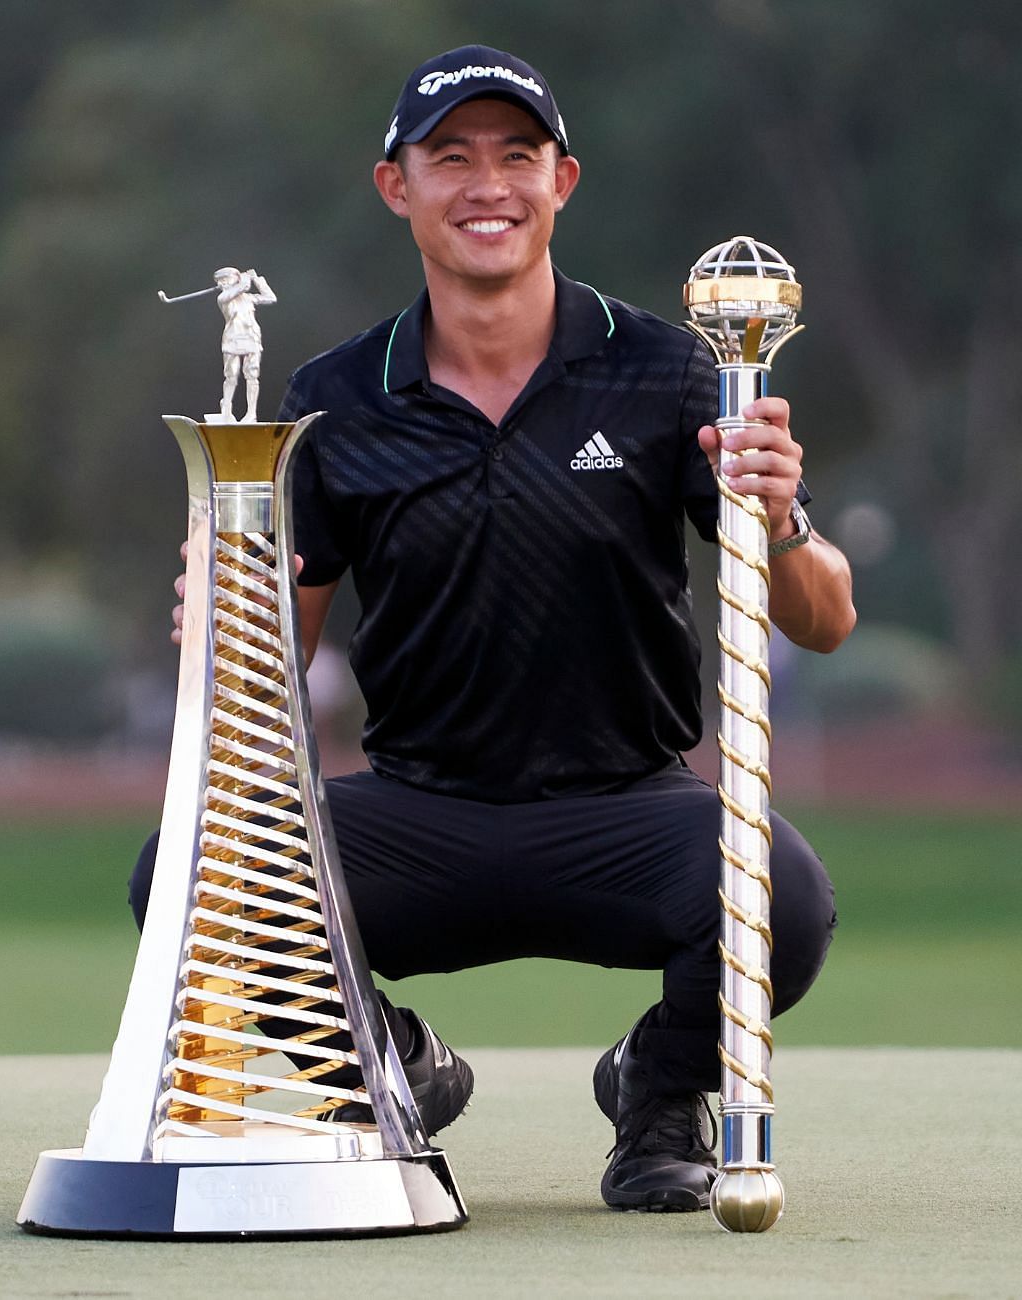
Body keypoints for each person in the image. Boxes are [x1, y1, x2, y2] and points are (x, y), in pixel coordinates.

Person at [144, 46, 852, 1212]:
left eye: (517, 156)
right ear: (397, 186)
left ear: (562, 181)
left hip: (630, 804)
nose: (489, 185)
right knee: (190, 878)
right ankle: (394, 1069)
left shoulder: (671, 373)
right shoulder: (339, 395)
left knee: (789, 894)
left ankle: (658, 1090)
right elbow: (268, 664)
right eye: (452, 157)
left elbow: (823, 618)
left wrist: (777, 521)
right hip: (419, 809)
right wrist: (219, 616)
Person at [212, 266, 277, 422]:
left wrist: (257, 279)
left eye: (226, 279)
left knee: (252, 375)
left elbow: (270, 297)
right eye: (220, 280)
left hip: (251, 337)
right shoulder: (223, 298)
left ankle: (251, 413)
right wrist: (245, 280)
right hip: (233, 339)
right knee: (231, 375)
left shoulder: (248, 298)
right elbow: (243, 287)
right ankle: (227, 409)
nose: (223, 283)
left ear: (235, 279)